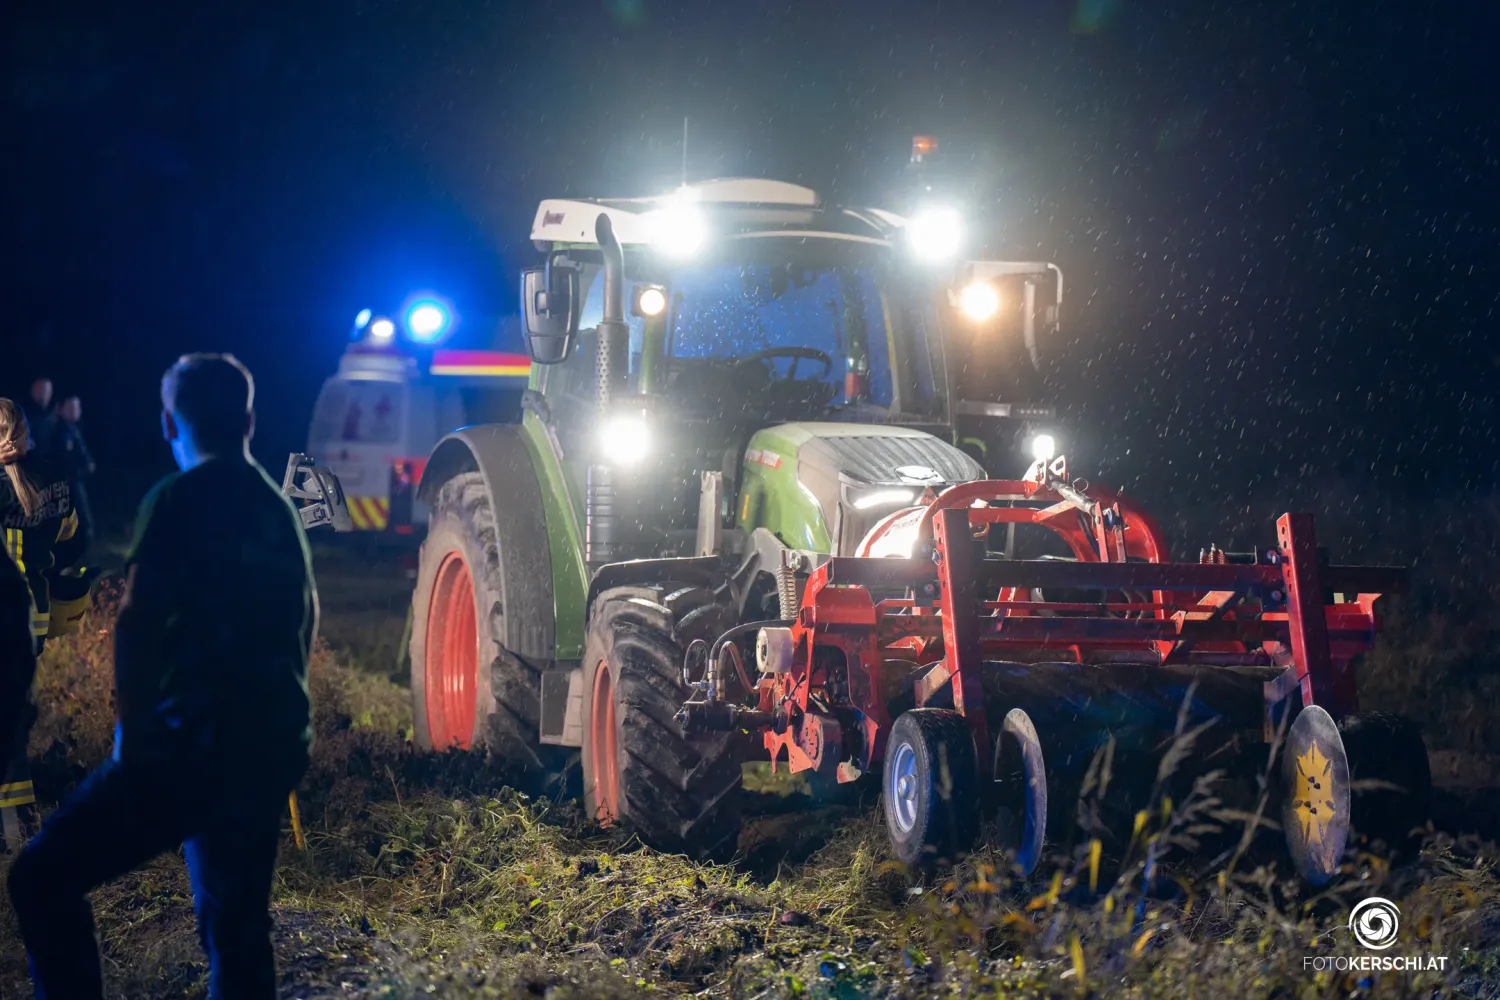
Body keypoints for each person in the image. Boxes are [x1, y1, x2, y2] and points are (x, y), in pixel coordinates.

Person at [8, 355, 318, 1000]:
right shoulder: (275, 507)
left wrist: (134, 742)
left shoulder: (177, 498)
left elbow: (138, 620)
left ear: (168, 423)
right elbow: (304, 618)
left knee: (40, 877)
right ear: (249, 421)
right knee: (236, 930)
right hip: (265, 749)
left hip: (186, 748)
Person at [51, 395, 96, 557]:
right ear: (61, 409)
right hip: (69, 482)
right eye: (70, 407)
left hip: (75, 481)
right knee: (77, 518)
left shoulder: (74, 429)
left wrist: (88, 464)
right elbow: (64, 458)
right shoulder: (61, 431)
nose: (75, 411)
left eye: (77, 407)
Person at [21, 379, 56, 461]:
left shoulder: (55, 417)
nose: (43, 394)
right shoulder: (22, 414)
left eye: (47, 391)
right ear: (32, 391)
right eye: (41, 390)